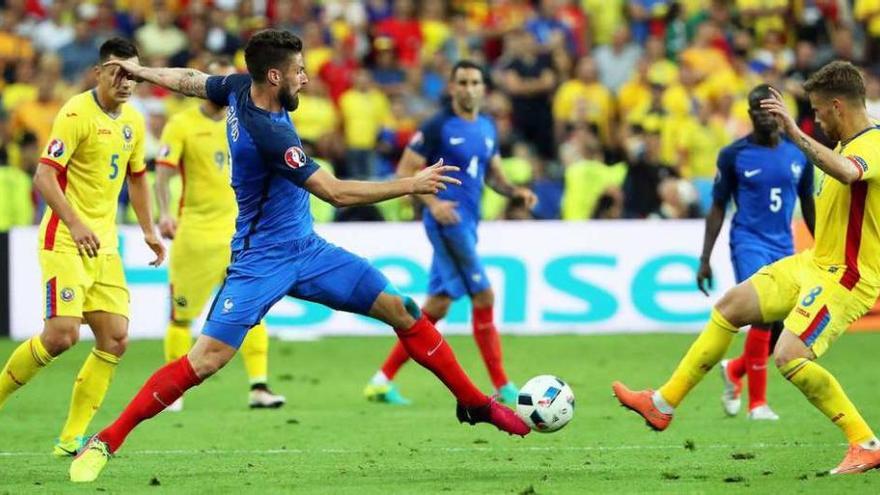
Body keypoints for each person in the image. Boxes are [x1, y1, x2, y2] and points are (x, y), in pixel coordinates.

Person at [70, 29, 529, 483]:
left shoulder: (236, 87)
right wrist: (410, 183)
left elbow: (190, 80)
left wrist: (141, 71)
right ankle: (106, 440)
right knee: (203, 361)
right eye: (299, 71)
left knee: (404, 311)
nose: (306, 79)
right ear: (274, 76)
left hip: (308, 250)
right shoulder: (267, 133)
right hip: (260, 261)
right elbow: (334, 192)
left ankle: (474, 403)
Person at [613, 60, 880, 474]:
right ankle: (662, 403)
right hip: (814, 263)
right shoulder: (842, 144)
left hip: (847, 276)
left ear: (838, 106)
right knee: (731, 306)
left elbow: (847, 174)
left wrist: (794, 131)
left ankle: (864, 442)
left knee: (789, 355)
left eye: (818, 111)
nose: (815, 119)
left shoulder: (871, 145)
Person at [0, 38, 165, 457]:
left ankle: (71, 437)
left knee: (115, 337)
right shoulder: (75, 112)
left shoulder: (135, 121)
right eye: (117, 72)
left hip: (105, 245)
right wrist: (75, 222)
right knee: (61, 336)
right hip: (65, 239)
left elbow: (138, 177)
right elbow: (43, 176)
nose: (126, 82)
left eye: (134, 74)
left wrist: (147, 229)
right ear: (99, 72)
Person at [363, 60, 536, 406]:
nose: (469, 88)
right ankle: (503, 386)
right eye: (463, 82)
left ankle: (381, 381)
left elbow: (494, 175)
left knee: (437, 307)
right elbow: (405, 171)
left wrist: (516, 192)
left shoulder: (487, 127)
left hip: (469, 224)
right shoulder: (437, 125)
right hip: (447, 224)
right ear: (452, 87)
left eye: (475, 82)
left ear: (483, 88)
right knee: (484, 296)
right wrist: (434, 204)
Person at [155, 58, 285, 411]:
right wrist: (164, 213)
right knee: (180, 315)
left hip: (240, 234)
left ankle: (259, 386)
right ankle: (173, 393)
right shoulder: (181, 124)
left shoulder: (244, 119)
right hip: (195, 236)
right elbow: (164, 173)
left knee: (252, 309)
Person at [696, 84, 815, 421]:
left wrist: (824, 247)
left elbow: (807, 202)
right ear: (750, 114)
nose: (765, 114)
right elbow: (718, 206)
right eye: (758, 109)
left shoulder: (798, 154)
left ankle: (735, 370)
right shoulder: (734, 155)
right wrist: (704, 258)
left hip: (783, 244)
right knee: (763, 314)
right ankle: (757, 404)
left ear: (781, 110)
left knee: (782, 324)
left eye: (771, 107)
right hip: (748, 240)